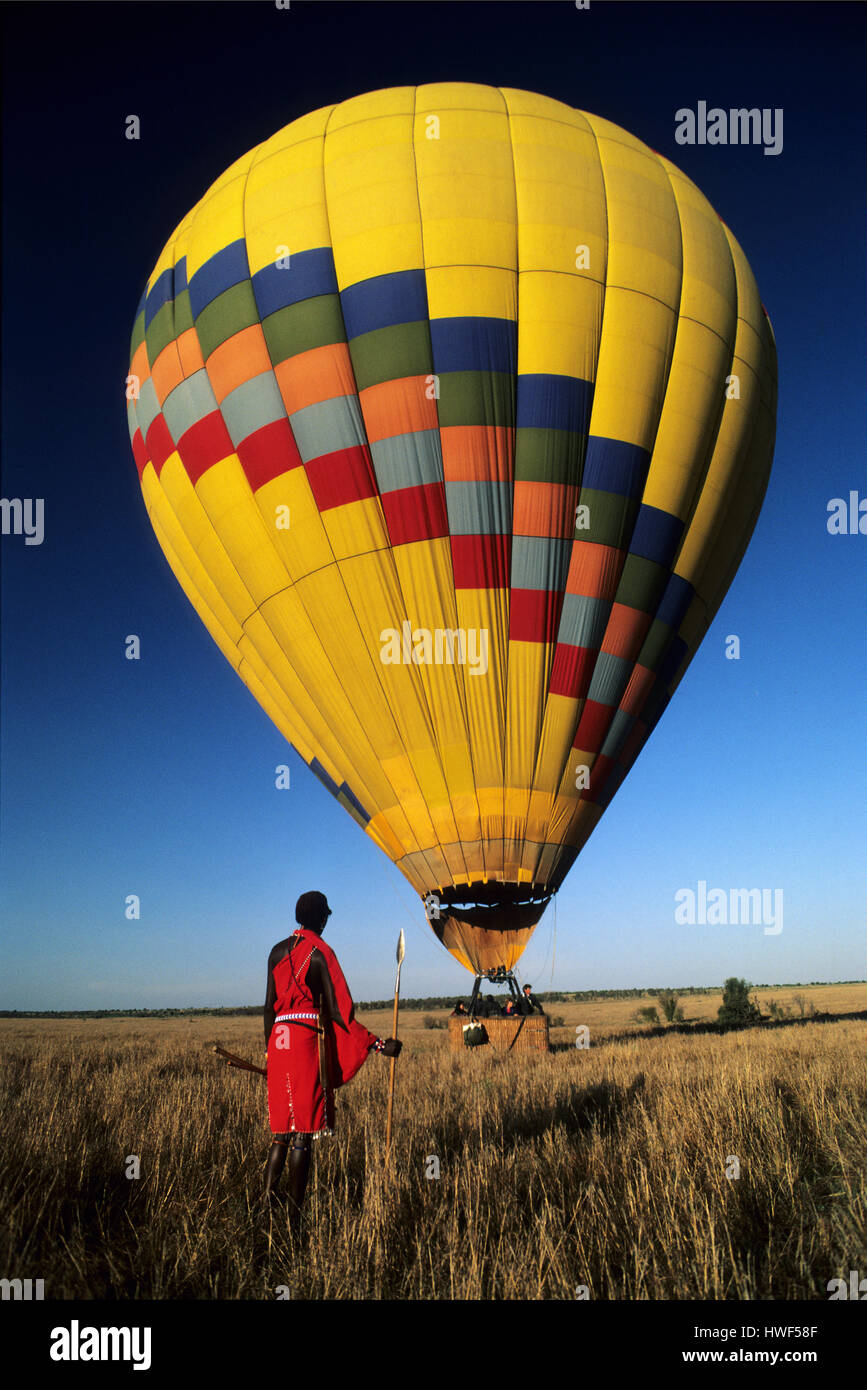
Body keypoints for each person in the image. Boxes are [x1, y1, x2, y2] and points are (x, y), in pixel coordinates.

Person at [263, 890, 401, 1223]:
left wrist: (270, 1052)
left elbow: (268, 1007)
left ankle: (265, 1206)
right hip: (303, 1041)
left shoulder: (276, 951)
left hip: (278, 1042)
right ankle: (294, 1218)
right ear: (321, 917)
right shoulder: (321, 953)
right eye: (327, 915)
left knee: (282, 1130)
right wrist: (378, 1044)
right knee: (303, 1134)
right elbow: (340, 1012)